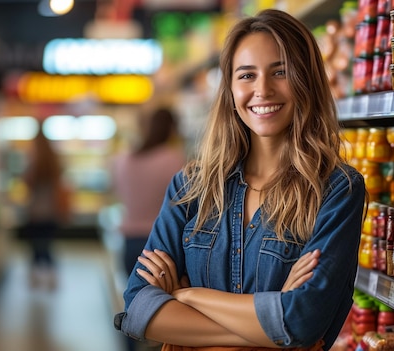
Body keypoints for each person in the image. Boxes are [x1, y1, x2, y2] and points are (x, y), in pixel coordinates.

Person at [114, 8, 367, 351]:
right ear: (230, 89)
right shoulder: (191, 188)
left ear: (306, 80)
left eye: (281, 72)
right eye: (247, 75)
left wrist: (188, 296)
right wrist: (272, 332)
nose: (262, 90)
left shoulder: (336, 190)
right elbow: (138, 310)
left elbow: (301, 321)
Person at [111, 107, 186, 351]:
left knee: (133, 305)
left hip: (129, 241)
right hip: (162, 246)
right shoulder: (174, 159)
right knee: (165, 309)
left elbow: (117, 192)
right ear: (172, 128)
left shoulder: (124, 159)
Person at [21, 130, 71, 289]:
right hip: (51, 211)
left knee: (36, 246)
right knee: (47, 246)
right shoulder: (54, 162)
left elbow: (27, 185)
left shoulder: (33, 163)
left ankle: (35, 278)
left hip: (35, 211)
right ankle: (51, 277)